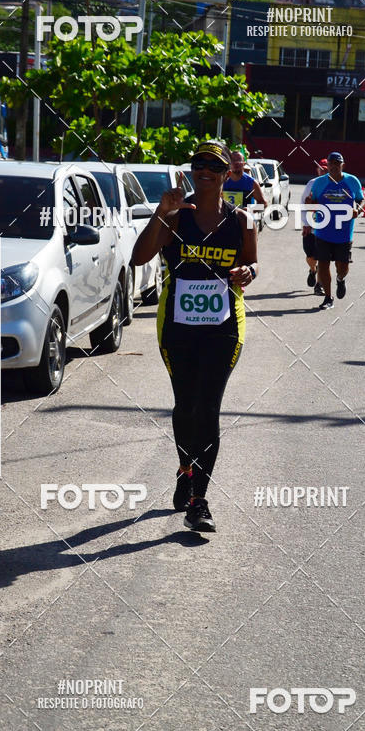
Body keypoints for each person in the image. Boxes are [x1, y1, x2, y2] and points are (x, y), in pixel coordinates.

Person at [132, 141, 258, 534]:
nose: (205, 169)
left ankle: (199, 500)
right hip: (177, 328)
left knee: (208, 408)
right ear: (192, 171)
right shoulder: (176, 216)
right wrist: (161, 211)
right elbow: (139, 257)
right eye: (198, 163)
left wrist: (247, 274)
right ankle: (186, 469)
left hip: (224, 328)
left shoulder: (241, 221)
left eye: (214, 165)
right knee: (185, 406)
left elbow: (250, 264)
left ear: (226, 174)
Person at [305, 151, 365, 310]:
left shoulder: (352, 181)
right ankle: (328, 297)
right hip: (322, 231)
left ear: (342, 165)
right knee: (323, 264)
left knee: (342, 267)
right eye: (330, 164)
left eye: (336, 164)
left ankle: (340, 279)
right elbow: (313, 202)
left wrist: (357, 210)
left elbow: (360, 199)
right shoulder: (319, 183)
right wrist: (310, 204)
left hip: (344, 233)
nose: (333, 167)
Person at [300, 158, 327, 296]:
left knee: (323, 257)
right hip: (311, 225)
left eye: (325, 169)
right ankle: (312, 270)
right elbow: (303, 204)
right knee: (310, 256)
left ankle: (319, 285)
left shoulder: (334, 184)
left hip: (326, 228)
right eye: (321, 169)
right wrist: (305, 223)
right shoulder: (311, 184)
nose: (323, 171)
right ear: (317, 170)